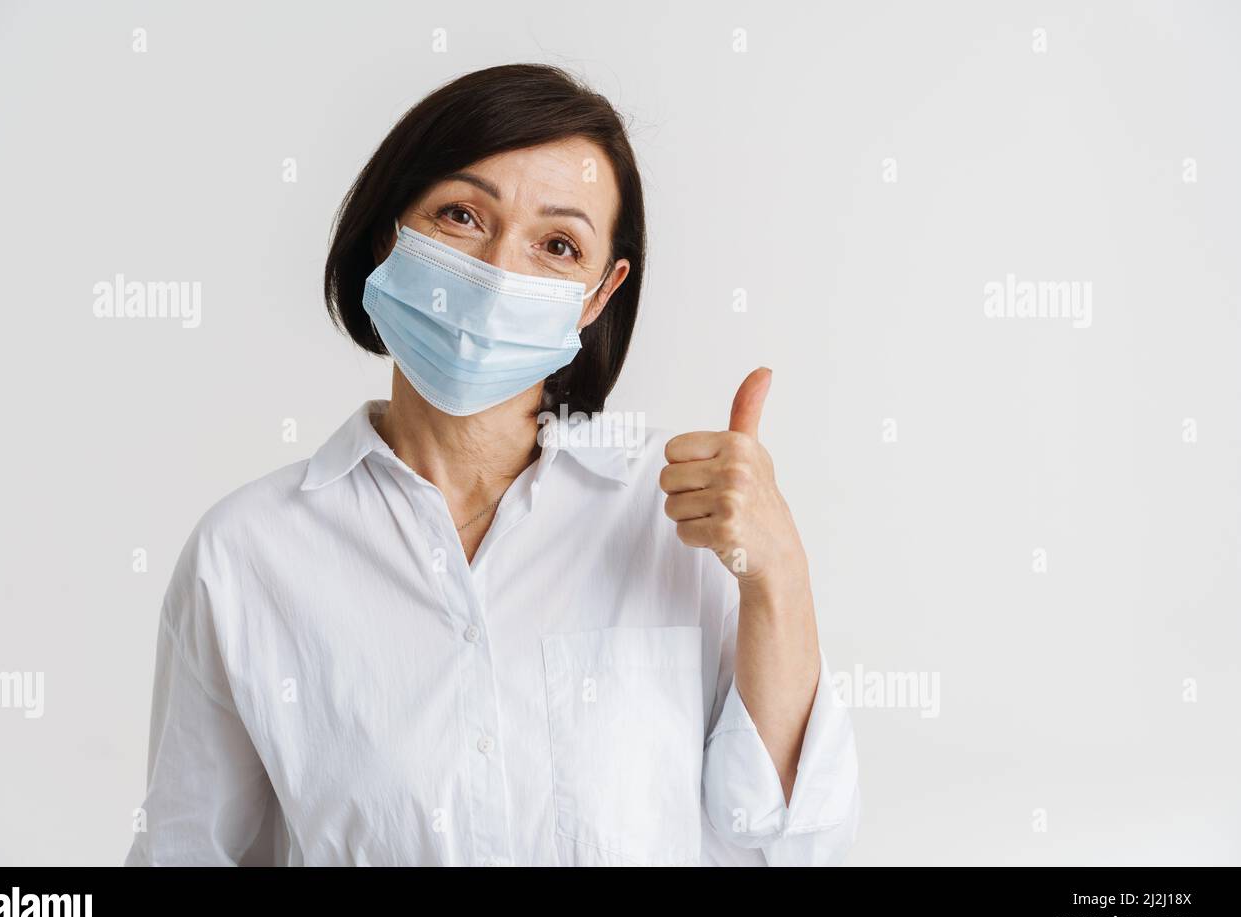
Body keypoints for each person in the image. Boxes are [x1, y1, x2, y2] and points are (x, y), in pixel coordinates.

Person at [124, 63, 859, 866]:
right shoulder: (244, 557)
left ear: (596, 296)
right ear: (388, 236)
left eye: (557, 243)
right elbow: (186, 854)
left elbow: (794, 847)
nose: (500, 268)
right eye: (462, 215)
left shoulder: (685, 518)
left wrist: (778, 575)